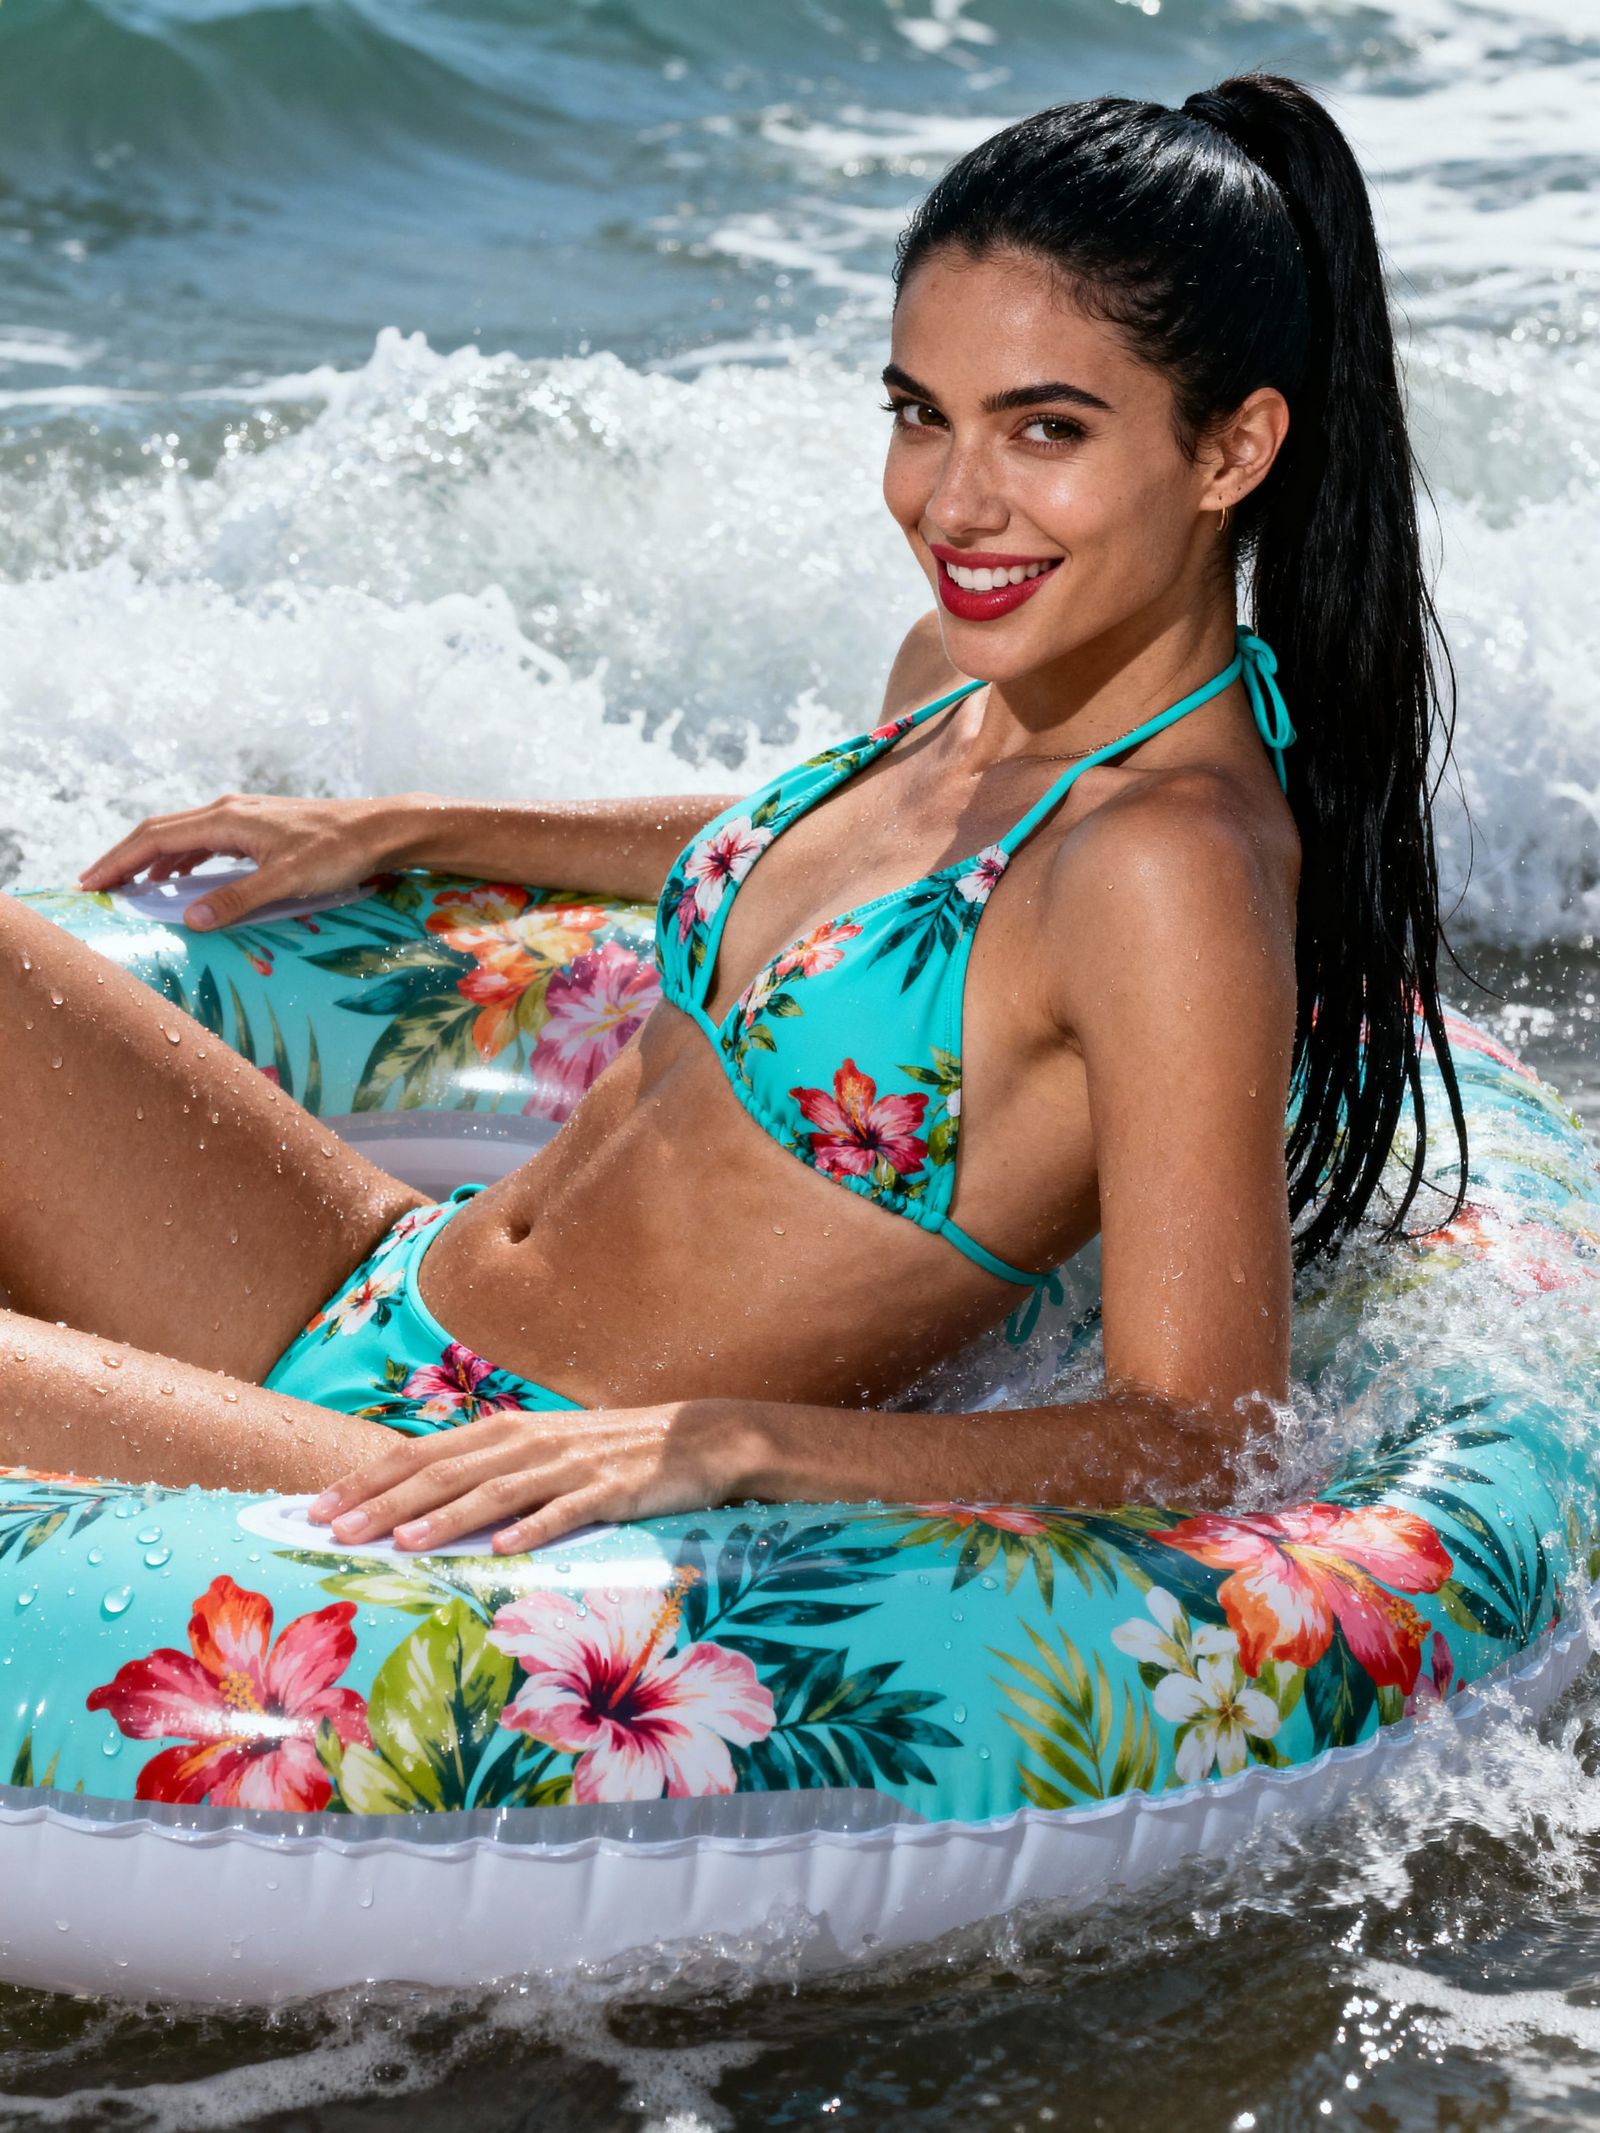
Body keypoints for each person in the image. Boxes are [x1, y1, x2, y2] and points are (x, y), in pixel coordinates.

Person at [3, 74, 1467, 1557]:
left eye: (1044, 432)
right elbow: (829, 866)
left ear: (1232, 450)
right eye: (921, 414)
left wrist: (739, 1442)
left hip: (492, 1490)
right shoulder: (964, 691)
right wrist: (414, 822)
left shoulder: (1170, 868)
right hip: (386, 1282)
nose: (952, 505)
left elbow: (1209, 1432)